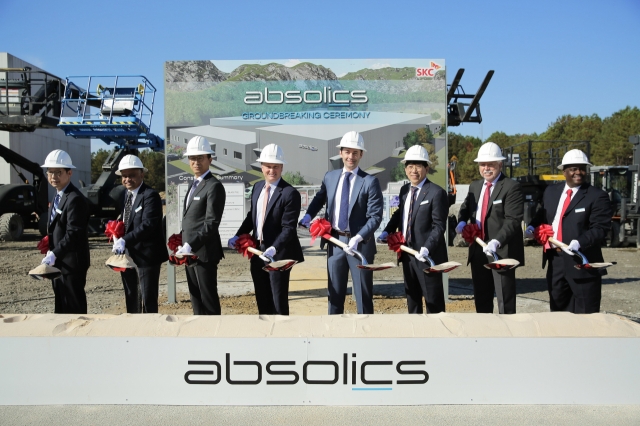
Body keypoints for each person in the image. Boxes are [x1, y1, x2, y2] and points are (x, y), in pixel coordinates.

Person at [300, 131, 383, 314]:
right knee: (334, 294)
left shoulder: (369, 182)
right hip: (335, 243)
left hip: (360, 246)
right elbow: (319, 199)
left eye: (355, 153)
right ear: (341, 153)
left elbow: (375, 217)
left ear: (361, 154)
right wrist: (308, 215)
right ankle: (334, 336)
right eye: (347, 152)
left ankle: (365, 334)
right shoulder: (330, 177)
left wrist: (359, 237)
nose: (350, 157)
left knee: (363, 295)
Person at [527, 149, 611, 314]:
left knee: (586, 314)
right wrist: (531, 227)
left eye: (581, 168)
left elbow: (600, 228)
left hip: (582, 262)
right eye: (573, 169)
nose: (578, 172)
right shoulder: (551, 192)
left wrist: (579, 242)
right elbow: (543, 215)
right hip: (555, 261)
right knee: (559, 312)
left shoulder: (597, 196)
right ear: (564, 171)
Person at [228, 144, 304, 315]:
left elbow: (289, 229)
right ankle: (266, 336)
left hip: (278, 256)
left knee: (278, 303)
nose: (272, 170)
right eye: (268, 166)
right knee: (262, 300)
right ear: (261, 166)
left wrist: (273, 248)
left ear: (281, 167)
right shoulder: (257, 188)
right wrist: (237, 235)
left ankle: (281, 338)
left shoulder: (290, 193)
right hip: (257, 252)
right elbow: (251, 217)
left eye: (276, 166)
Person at [378, 145, 448, 313]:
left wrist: (427, 248)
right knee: (413, 300)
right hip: (407, 256)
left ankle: (437, 336)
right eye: (410, 166)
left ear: (426, 168)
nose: (413, 171)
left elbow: (439, 226)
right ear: (405, 168)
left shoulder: (436, 193)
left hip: (427, 257)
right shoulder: (404, 190)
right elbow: (399, 215)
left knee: (433, 303)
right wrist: (387, 230)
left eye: (418, 166)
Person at [455, 142, 524, 314]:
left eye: (491, 164)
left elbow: (513, 220)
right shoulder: (475, 187)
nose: (486, 168)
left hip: (501, 253)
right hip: (478, 251)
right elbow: (465, 208)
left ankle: (507, 335)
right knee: (481, 298)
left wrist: (496, 241)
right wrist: (462, 221)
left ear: (500, 164)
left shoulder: (511, 187)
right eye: (483, 164)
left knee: (504, 300)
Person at [176, 136, 226, 315]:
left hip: (204, 253)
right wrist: (182, 240)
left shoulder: (214, 186)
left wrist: (191, 244)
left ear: (209, 159)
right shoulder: (195, 184)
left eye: (200, 158)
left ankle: (214, 337)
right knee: (195, 298)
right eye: (192, 158)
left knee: (208, 299)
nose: (196, 162)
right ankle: (199, 334)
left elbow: (211, 222)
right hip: (190, 252)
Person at [111, 154, 167, 313]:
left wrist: (125, 240)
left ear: (142, 174)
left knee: (147, 299)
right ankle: (133, 330)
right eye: (124, 176)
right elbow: (126, 220)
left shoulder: (150, 195)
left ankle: (149, 332)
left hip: (147, 257)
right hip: (128, 255)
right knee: (131, 296)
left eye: (132, 175)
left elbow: (148, 224)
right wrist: (116, 234)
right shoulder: (125, 195)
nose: (127, 179)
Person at [40, 150, 90, 314]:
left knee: (73, 309)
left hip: (71, 264)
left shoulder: (74, 198)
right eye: (50, 172)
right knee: (61, 308)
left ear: (69, 173)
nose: (53, 176)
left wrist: (55, 253)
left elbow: (74, 233)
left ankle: (78, 339)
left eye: (58, 172)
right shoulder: (58, 196)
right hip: (59, 262)